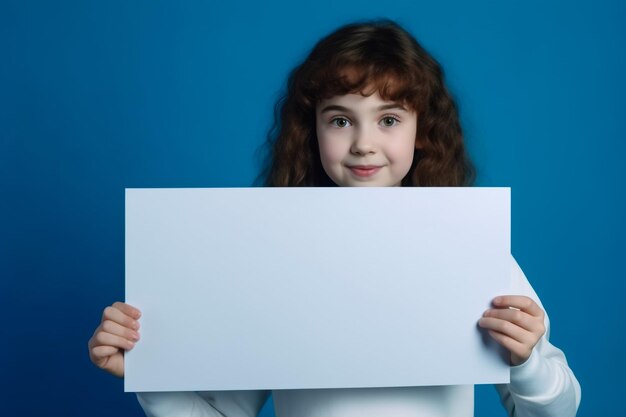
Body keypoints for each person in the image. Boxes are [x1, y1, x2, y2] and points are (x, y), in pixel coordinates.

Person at [88, 19, 581, 417]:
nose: (364, 142)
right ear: (312, 132)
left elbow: (555, 410)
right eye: (340, 120)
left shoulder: (473, 250)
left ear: (422, 132)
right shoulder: (270, 259)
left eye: (389, 120)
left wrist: (528, 361)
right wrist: (147, 375)